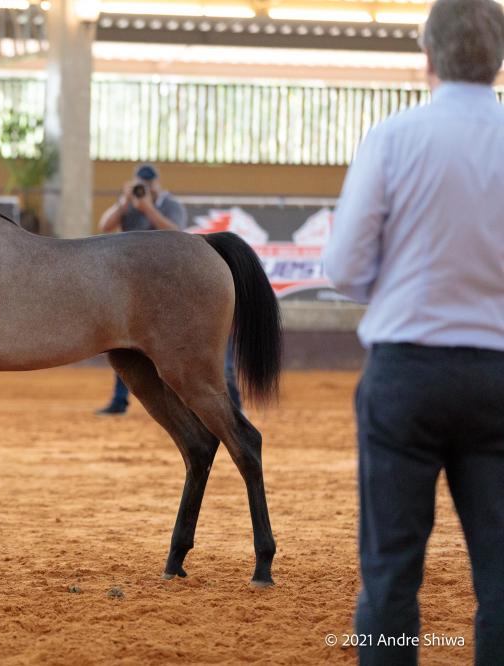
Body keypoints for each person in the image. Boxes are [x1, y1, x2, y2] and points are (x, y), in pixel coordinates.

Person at [323, 1, 504, 663]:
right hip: (498, 376)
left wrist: (398, 292)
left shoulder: (393, 138)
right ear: (499, 58)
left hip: (406, 375)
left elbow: (342, 267)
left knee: (391, 575)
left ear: (428, 57)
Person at [94, 164, 241, 415]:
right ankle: (120, 401)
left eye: (149, 184)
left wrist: (148, 208)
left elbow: (177, 235)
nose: (146, 188)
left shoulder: (169, 204)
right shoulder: (128, 204)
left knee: (199, 348)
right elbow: (104, 226)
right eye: (141, 183)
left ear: (158, 184)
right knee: (124, 343)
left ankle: (233, 406)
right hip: (136, 284)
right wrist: (124, 203)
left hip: (165, 283)